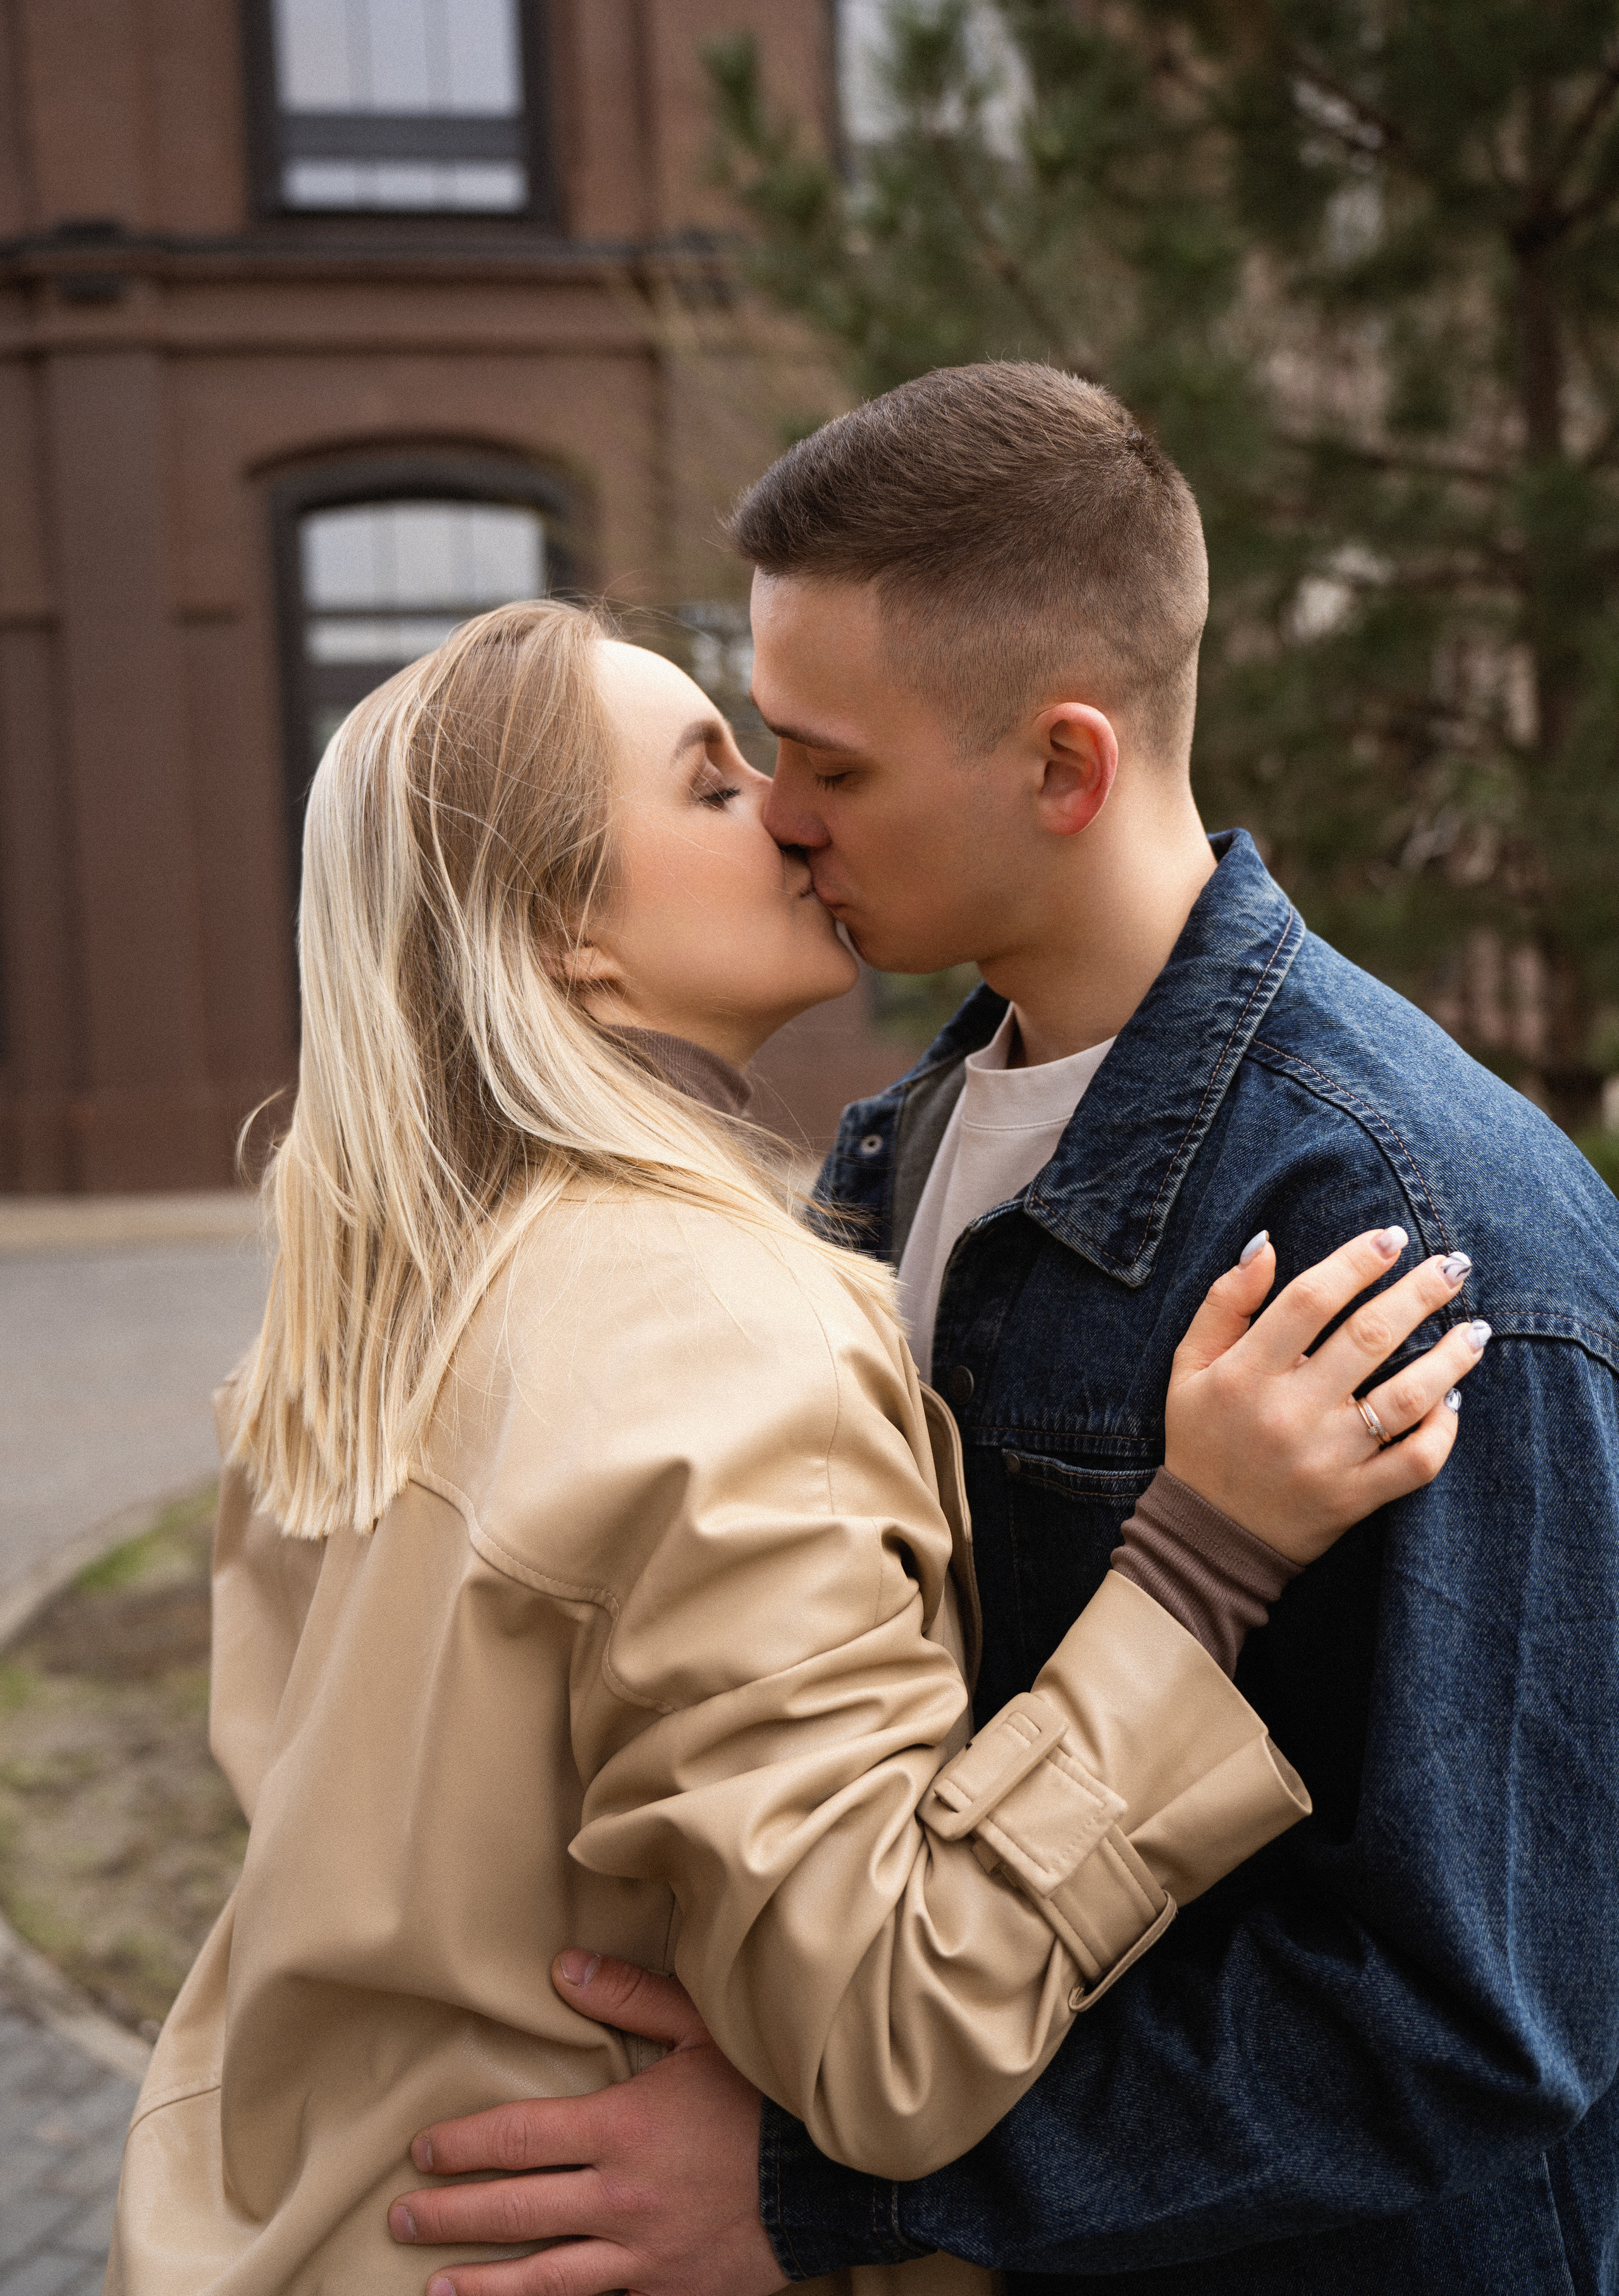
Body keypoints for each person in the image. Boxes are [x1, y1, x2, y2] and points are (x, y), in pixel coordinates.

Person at [400, 366, 1619, 2296]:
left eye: (833, 767)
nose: (785, 823)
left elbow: (1474, 2022)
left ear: (1063, 766)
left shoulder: (1409, 1230)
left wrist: (833, 2194)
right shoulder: (897, 1161)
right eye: (759, 754)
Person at [104, 595, 1477, 2296]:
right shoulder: (713, 1326)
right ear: (563, 937)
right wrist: (1204, 1556)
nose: (786, 808)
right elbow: (894, 2031)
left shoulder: (366, 1322)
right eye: (705, 782)